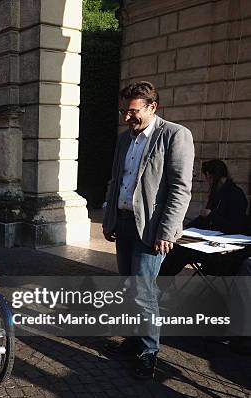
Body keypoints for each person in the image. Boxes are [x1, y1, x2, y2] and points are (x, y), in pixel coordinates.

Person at [102, 81, 194, 379]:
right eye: (124, 110)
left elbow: (180, 189)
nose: (126, 117)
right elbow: (116, 181)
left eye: (132, 111)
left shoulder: (175, 135)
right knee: (130, 287)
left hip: (152, 229)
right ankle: (134, 338)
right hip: (125, 222)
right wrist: (109, 219)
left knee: (144, 291)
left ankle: (149, 351)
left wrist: (167, 231)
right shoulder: (124, 139)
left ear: (152, 107)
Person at [159, 159, 248, 277]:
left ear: (211, 176)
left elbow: (235, 225)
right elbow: (203, 219)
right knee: (175, 246)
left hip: (224, 248)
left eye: (207, 177)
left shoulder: (236, 194)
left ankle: (158, 284)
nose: (207, 181)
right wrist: (186, 229)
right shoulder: (216, 193)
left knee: (180, 252)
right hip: (208, 239)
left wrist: (211, 215)